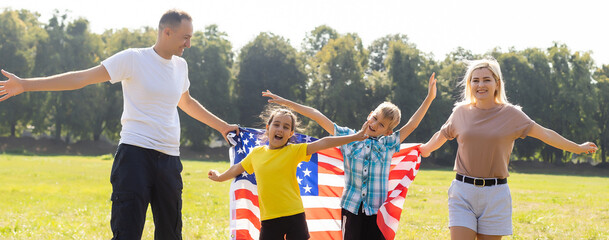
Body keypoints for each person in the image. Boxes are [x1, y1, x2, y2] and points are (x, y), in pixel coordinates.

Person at [0, 9, 239, 240]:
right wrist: (25, 84)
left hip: (169, 160)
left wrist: (221, 126)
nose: (188, 44)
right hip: (135, 157)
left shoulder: (180, 66)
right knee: (127, 232)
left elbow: (185, 101)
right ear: (167, 32)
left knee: (171, 233)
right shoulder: (133, 59)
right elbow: (81, 78)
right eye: (185, 38)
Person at [418, 58, 598, 240]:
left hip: (495, 195)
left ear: (497, 83)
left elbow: (546, 134)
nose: (480, 84)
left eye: (486, 80)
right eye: (475, 80)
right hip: (462, 193)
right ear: (469, 84)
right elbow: (441, 135)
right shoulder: (460, 113)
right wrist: (424, 150)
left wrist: (577, 148)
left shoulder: (512, 114)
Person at [261, 73, 437, 240]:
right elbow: (317, 115)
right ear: (370, 114)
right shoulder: (348, 137)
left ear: (388, 131)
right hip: (351, 208)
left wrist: (429, 99)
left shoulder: (388, 144)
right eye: (374, 118)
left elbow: (412, 125)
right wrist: (286, 103)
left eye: (381, 124)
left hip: (376, 210)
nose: (374, 124)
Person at [208, 106, 369, 240]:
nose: (280, 129)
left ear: (291, 133)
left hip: (295, 216)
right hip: (269, 219)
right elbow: (237, 168)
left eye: (286, 127)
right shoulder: (256, 154)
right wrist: (219, 177)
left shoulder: (294, 151)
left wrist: (355, 137)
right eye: (276, 125)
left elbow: (324, 142)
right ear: (268, 128)